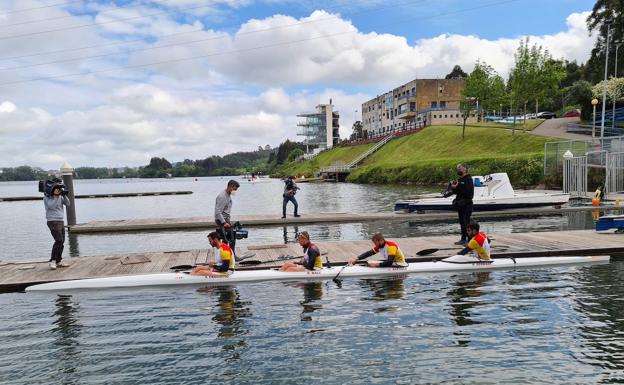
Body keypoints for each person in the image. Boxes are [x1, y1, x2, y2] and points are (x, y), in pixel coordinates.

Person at [43, 182, 71, 270]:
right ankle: (52, 261)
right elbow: (51, 206)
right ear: (52, 189)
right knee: (58, 240)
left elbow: (68, 203)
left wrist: (64, 195)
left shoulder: (60, 196)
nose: (58, 190)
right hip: (52, 221)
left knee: (62, 241)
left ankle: (58, 261)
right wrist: (56, 196)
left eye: (59, 189)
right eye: (56, 189)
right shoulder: (47, 197)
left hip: (61, 221)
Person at [448, 163, 474, 245]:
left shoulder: (468, 179)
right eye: (457, 168)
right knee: (462, 223)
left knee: (467, 223)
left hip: (467, 204)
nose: (458, 170)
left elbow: (469, 193)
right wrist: (453, 187)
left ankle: (470, 240)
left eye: (460, 168)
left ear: (465, 169)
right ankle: (463, 239)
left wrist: (458, 187)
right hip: (460, 205)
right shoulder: (460, 180)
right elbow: (456, 191)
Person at [215, 179, 240, 254]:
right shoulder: (222, 196)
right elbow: (217, 211)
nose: (235, 191)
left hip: (225, 219)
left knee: (227, 238)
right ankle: (232, 256)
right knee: (231, 238)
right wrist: (224, 222)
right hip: (222, 220)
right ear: (230, 187)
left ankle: (228, 256)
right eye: (235, 189)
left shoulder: (228, 194)